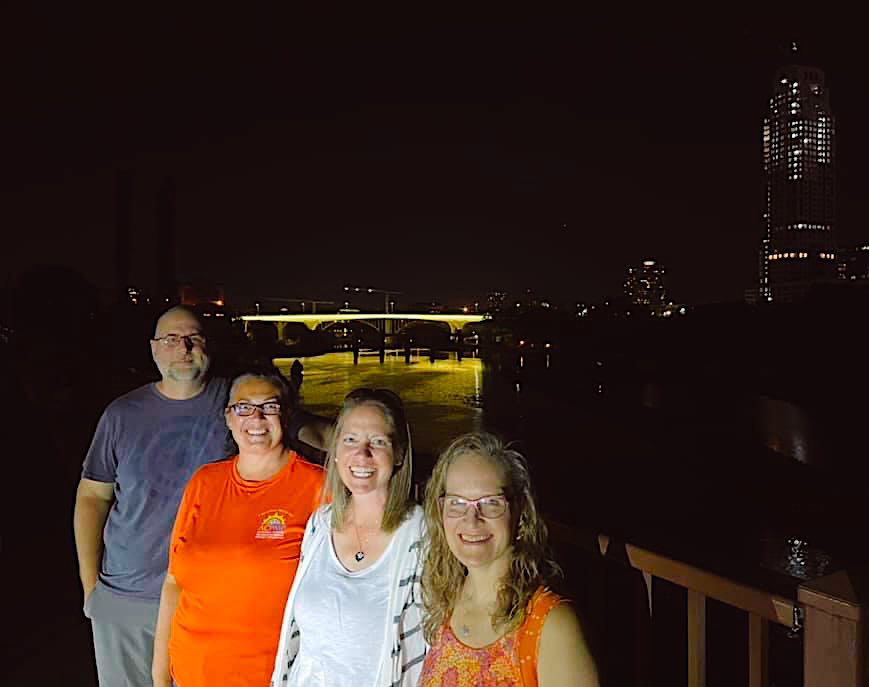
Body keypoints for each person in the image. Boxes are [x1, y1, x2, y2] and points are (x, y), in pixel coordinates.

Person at [73, 305, 329, 687]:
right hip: (127, 596)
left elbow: (306, 429)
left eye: (193, 337)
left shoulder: (237, 398)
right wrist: (90, 586)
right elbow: (92, 497)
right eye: (171, 339)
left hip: (207, 604)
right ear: (154, 349)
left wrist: (370, 444)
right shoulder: (121, 414)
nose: (184, 348)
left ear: (208, 347)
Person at [152, 368, 324, 687]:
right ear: (229, 418)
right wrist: (160, 676)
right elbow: (173, 584)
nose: (256, 419)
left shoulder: (317, 487)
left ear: (287, 415)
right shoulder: (205, 481)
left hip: (271, 677)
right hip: (191, 673)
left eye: (269, 407)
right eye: (244, 407)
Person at [270, 388, 427, 687]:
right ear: (337, 450)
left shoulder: (421, 534)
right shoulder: (320, 525)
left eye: (378, 442)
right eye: (350, 440)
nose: (362, 454)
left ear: (400, 454)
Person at [419, 432, 598, 687]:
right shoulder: (445, 603)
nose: (472, 520)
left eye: (491, 503)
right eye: (457, 503)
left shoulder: (551, 627)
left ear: (519, 511)